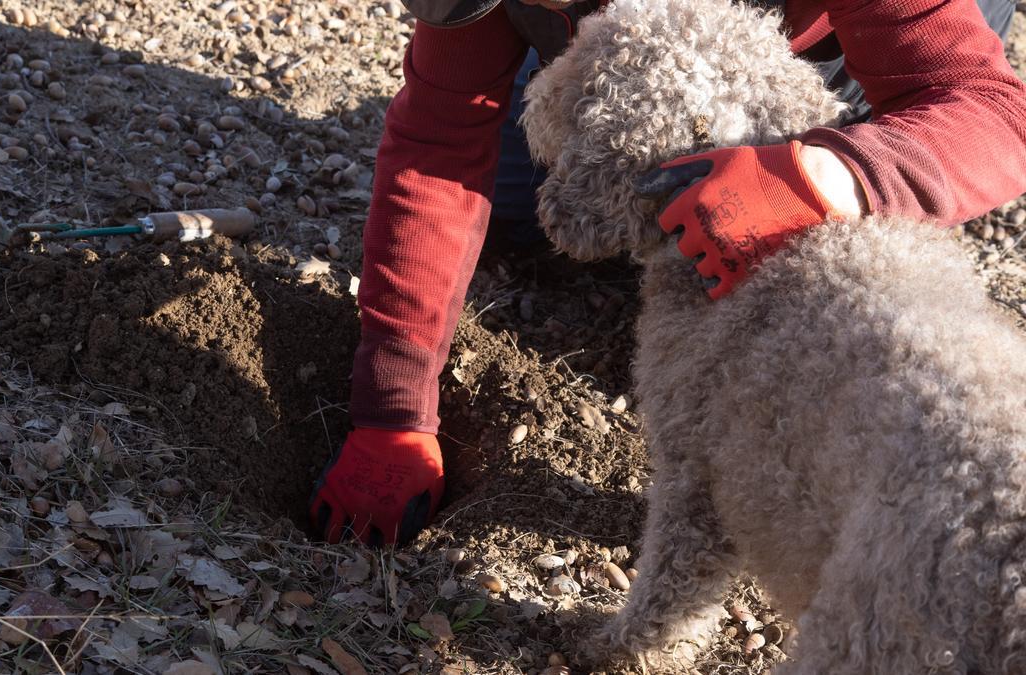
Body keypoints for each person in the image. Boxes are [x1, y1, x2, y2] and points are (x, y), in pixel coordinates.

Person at [309, 0, 1026, 546]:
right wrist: (393, 408)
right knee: (522, 203)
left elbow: (994, 115)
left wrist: (829, 175)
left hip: (856, 49)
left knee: (824, 222)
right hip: (650, 39)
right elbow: (438, 144)